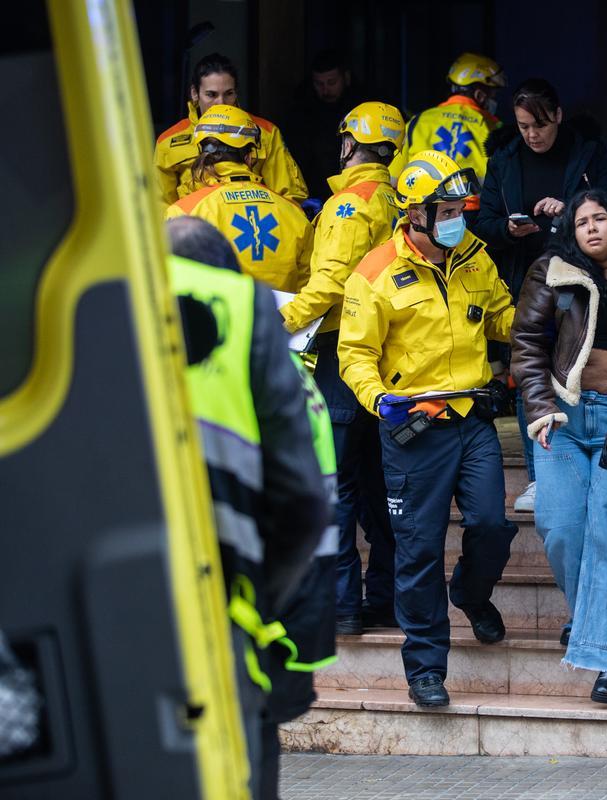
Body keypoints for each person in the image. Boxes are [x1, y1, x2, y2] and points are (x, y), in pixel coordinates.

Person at [338, 150, 518, 708]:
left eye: (460, 209)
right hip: (413, 426)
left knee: (491, 525)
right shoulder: (375, 272)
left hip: (472, 417)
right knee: (418, 551)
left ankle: (471, 593)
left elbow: (503, 317)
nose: (457, 219)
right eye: (447, 210)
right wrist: (378, 400)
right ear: (415, 213)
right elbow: (354, 354)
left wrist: (553, 308)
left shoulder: (474, 257)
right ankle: (425, 669)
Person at [165, 216, 331, 800]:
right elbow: (307, 507)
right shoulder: (257, 331)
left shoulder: (101, 310)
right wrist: (257, 602)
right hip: (239, 610)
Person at [509, 188, 607, 702]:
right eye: (580, 222)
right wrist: (538, 408)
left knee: (606, 529)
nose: (591, 228)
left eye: (600, 218)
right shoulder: (551, 272)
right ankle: (591, 622)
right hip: (562, 417)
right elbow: (526, 344)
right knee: (560, 528)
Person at [280, 101, 405, 636]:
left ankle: (343, 603)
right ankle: (385, 598)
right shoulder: (399, 198)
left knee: (335, 484)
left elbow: (330, 283)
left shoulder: (350, 203)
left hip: (340, 352)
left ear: (350, 143)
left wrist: (281, 320)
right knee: (379, 485)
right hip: (390, 355)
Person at [475, 78, 607, 512]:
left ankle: (591, 466)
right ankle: (541, 476)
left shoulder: (588, 153)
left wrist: (570, 209)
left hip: (581, 280)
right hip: (527, 279)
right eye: (523, 126)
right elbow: (483, 222)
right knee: (531, 372)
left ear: (558, 115)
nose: (532, 135)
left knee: (578, 367)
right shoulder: (503, 159)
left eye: (539, 124)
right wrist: (508, 229)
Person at [165, 104, 314, 293]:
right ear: (249, 156)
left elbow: (172, 283)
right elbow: (309, 284)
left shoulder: (183, 213)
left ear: (203, 154)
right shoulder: (293, 211)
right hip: (282, 312)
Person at [156, 52, 307, 206]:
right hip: (197, 220)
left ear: (236, 93)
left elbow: (290, 197)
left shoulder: (265, 132)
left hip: (251, 218)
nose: (221, 102)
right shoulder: (169, 141)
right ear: (195, 93)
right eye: (211, 95)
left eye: (229, 94)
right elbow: (160, 206)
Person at [388, 52, 505, 187]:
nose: (494, 99)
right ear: (480, 95)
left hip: (421, 200)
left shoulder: (418, 122)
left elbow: (392, 178)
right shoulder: (496, 128)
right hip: (473, 201)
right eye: (493, 94)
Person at [285, 49, 368, 201]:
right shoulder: (302, 112)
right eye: (319, 84)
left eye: (331, 82)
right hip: (314, 192)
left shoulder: (363, 108)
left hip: (358, 192)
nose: (325, 90)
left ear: (346, 78)